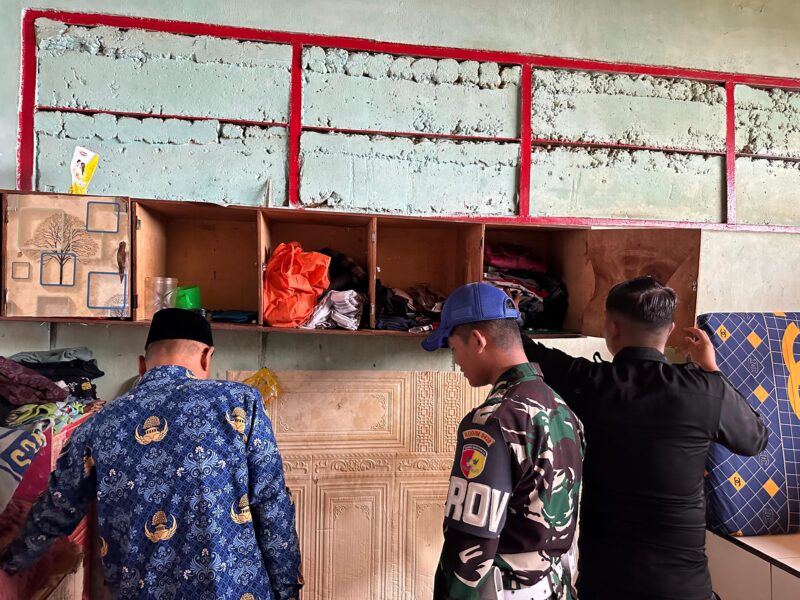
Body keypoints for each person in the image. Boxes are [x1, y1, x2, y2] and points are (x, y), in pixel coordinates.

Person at [0, 308, 302, 600]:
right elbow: (271, 504)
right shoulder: (240, 403)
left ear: (142, 365)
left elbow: (55, 510)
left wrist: (11, 561)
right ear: (206, 356)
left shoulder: (99, 424)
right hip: (233, 589)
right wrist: (286, 587)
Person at [522, 276, 768, 600]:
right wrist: (712, 370)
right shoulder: (706, 391)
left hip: (605, 586)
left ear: (612, 328)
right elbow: (755, 440)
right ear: (670, 329)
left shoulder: (590, 383)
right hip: (684, 590)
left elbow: (526, 350)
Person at [422, 283, 584, 600]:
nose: (456, 361)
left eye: (453, 348)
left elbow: (470, 546)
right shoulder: (563, 410)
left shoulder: (492, 422)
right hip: (557, 588)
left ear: (477, 340)